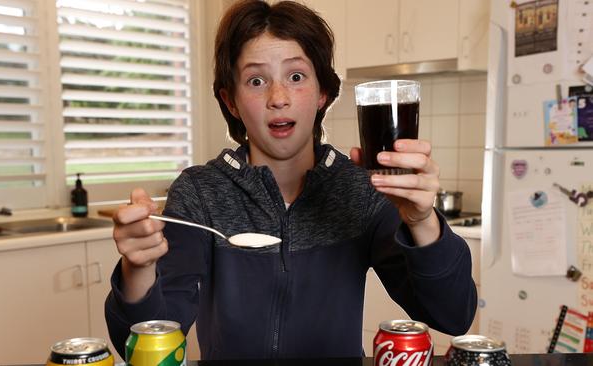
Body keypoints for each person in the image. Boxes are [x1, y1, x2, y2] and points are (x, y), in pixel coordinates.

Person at [105, 0, 477, 360]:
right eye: (255, 80)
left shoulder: (361, 190)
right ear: (231, 101)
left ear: (323, 92)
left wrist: (422, 222)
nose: (278, 98)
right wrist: (138, 268)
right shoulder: (201, 192)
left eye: (296, 76)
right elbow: (137, 344)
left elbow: (453, 315)